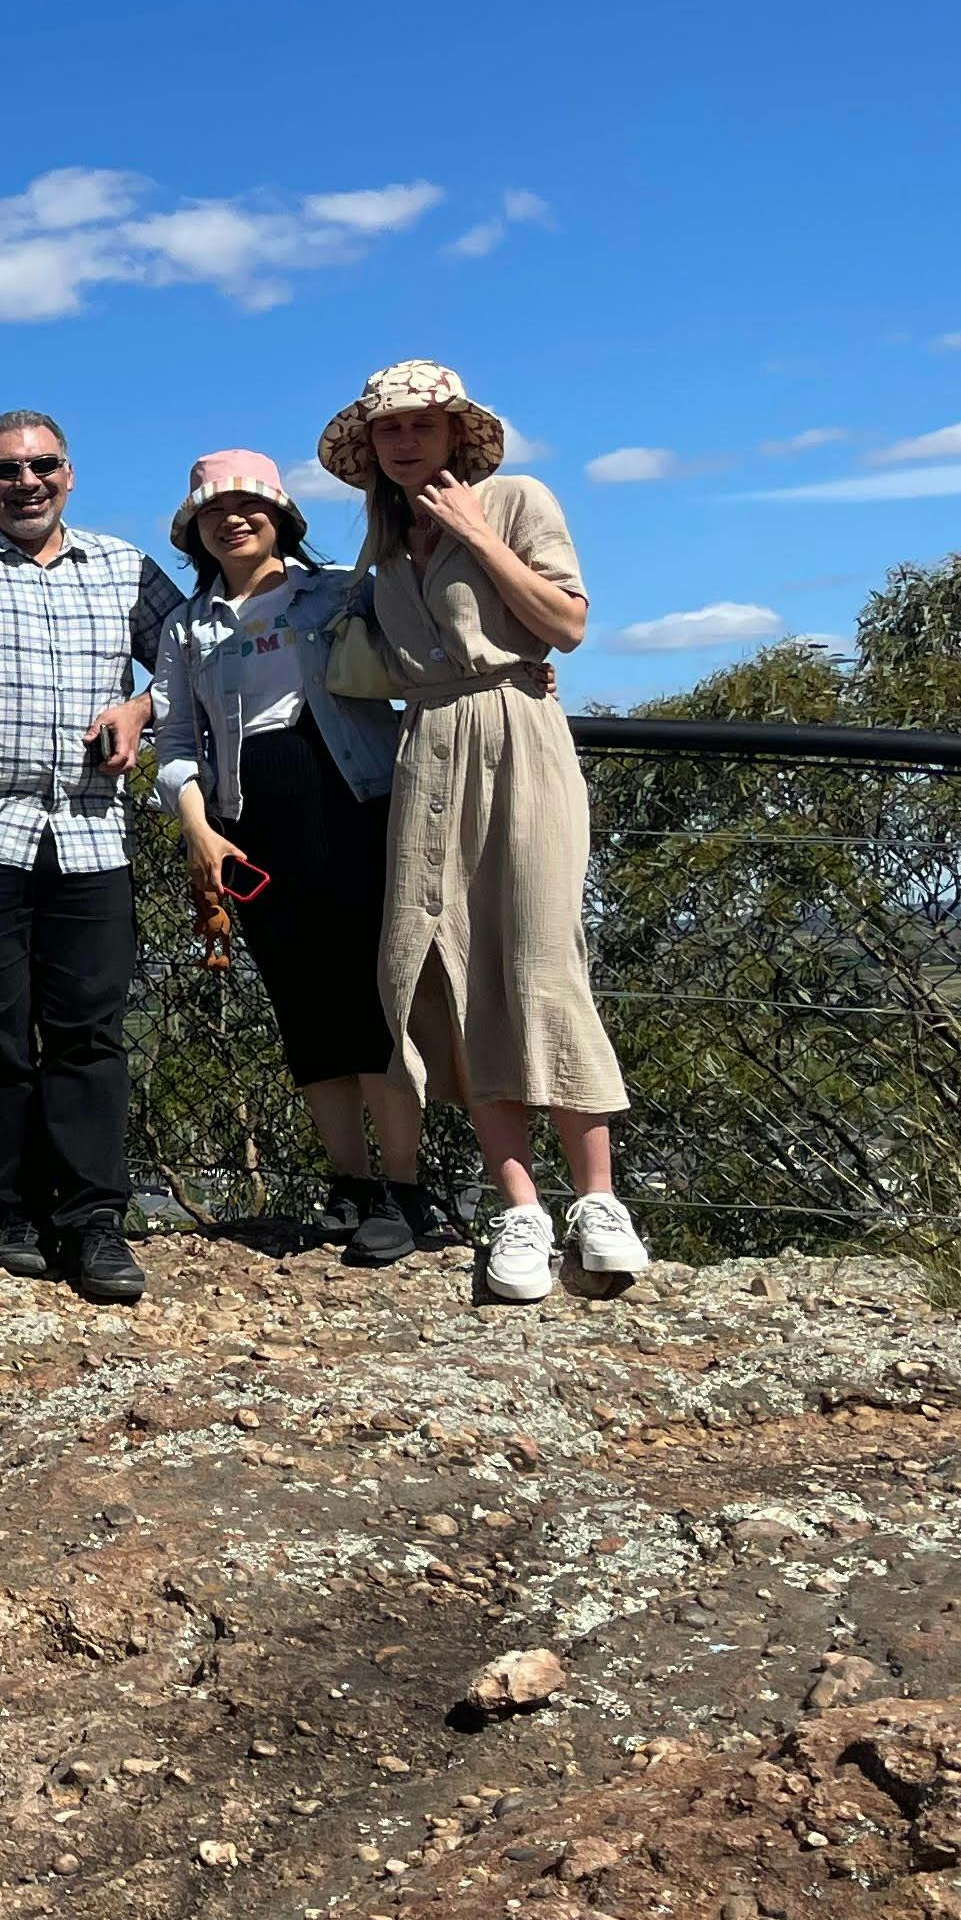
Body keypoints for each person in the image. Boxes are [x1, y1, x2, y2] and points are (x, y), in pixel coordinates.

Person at [319, 359, 653, 1306]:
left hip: (520, 735)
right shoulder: (380, 551)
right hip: (428, 751)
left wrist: (475, 533)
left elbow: (568, 624)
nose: (405, 439)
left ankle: (599, 1201)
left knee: (543, 959)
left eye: (423, 424)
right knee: (442, 966)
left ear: (457, 432)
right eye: (389, 429)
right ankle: (519, 1208)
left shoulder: (514, 500)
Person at [0, 412, 186, 1306]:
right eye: (6, 469)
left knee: (90, 1032)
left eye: (43, 466)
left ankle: (93, 1221)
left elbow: (192, 656)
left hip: (92, 832)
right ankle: (7, 1206)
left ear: (69, 473)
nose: (26, 482)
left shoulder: (122, 566)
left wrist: (144, 708)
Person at [150, 451, 436, 1264]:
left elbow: (425, 646)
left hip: (353, 796)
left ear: (281, 517)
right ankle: (349, 1182)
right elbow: (177, 740)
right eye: (214, 512)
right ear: (195, 531)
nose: (233, 520)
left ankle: (404, 1189)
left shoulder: (343, 588)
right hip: (250, 817)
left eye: (249, 506)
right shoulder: (187, 626)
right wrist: (198, 827)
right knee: (302, 999)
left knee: (374, 996)